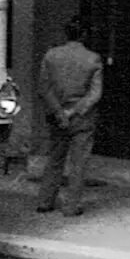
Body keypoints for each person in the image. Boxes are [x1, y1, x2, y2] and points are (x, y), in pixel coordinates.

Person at [35, 19, 104, 216]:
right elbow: (95, 94)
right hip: (81, 117)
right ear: (84, 35)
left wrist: (58, 111)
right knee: (78, 162)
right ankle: (71, 205)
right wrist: (72, 111)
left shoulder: (51, 55)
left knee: (55, 158)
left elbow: (44, 88)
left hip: (56, 117)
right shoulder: (93, 59)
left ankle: (45, 200)